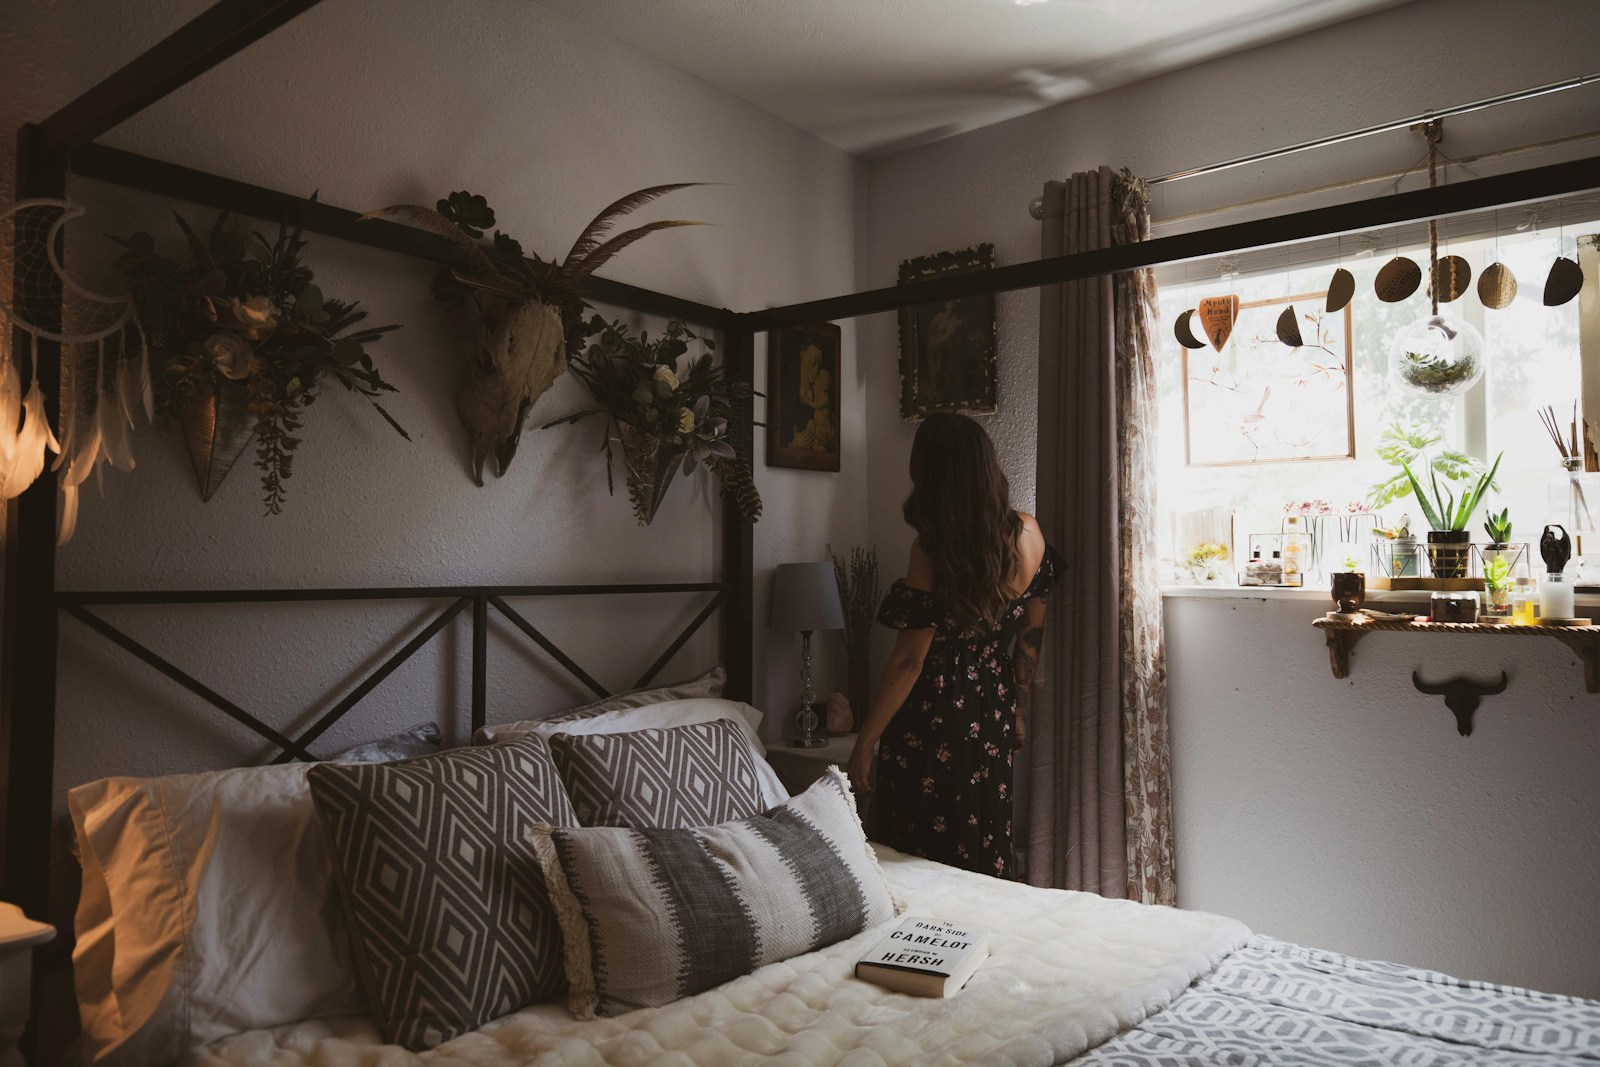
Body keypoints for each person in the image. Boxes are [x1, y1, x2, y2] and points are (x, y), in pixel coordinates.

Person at [846, 413, 1058, 879]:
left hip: (936, 706)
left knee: (920, 849)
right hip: (993, 699)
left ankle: (924, 940)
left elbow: (908, 660)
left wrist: (866, 740)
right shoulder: (1030, 532)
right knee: (982, 836)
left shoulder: (932, 549)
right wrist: (1018, 707)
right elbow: (1029, 637)